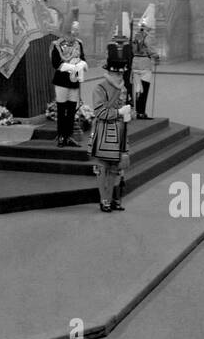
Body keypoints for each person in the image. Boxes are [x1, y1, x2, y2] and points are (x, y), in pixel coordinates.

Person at [90, 57, 134, 212]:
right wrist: (119, 112)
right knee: (103, 167)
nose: (121, 77)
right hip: (104, 132)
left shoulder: (123, 88)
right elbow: (99, 111)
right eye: (118, 74)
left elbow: (125, 105)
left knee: (116, 167)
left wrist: (129, 113)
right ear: (110, 73)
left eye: (122, 74)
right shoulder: (100, 88)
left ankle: (112, 198)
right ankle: (104, 199)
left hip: (120, 131)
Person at [50, 19, 86, 148]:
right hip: (61, 81)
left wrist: (81, 65)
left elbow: (83, 59)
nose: (75, 34)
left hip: (74, 80)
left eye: (76, 31)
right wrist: (70, 67)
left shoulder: (79, 44)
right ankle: (61, 136)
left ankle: (69, 136)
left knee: (71, 110)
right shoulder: (57, 45)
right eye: (73, 31)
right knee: (61, 110)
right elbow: (55, 63)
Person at [131, 23, 159, 120]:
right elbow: (151, 50)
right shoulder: (148, 37)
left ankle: (136, 112)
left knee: (138, 89)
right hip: (145, 64)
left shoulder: (134, 36)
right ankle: (141, 112)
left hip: (135, 63)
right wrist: (156, 56)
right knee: (145, 89)